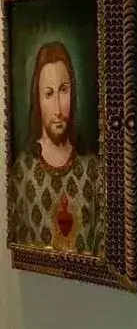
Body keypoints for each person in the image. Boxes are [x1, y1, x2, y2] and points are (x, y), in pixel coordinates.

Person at [7, 41, 104, 255]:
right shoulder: (23, 172)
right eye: (49, 94)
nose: (58, 109)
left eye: (64, 90)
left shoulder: (94, 170)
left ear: (73, 92)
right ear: (38, 100)